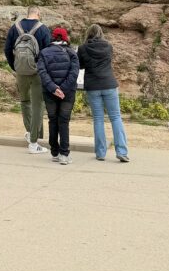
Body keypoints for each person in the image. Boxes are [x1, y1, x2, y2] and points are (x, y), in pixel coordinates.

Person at [78, 24, 129, 162]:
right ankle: (122, 151)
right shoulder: (108, 46)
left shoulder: (83, 48)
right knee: (116, 117)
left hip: (93, 86)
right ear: (101, 33)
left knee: (98, 119)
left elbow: (80, 65)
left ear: (88, 33)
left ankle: (100, 153)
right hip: (109, 84)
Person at [4, 6, 52, 153]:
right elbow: (48, 53)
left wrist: (15, 66)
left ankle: (31, 133)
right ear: (38, 14)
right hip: (37, 72)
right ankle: (33, 142)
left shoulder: (15, 28)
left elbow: (7, 49)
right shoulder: (43, 29)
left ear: (28, 13)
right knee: (38, 105)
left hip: (21, 71)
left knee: (25, 102)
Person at [37, 26, 80, 165]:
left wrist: (53, 88)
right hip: (67, 93)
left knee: (52, 120)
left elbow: (42, 72)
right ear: (65, 37)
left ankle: (54, 152)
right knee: (64, 121)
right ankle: (64, 154)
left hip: (49, 92)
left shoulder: (44, 52)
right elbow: (74, 73)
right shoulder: (72, 53)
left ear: (53, 37)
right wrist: (63, 89)